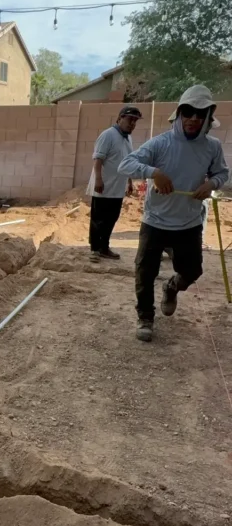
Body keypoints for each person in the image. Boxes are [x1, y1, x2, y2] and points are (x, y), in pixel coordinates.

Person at [118, 85, 230, 342]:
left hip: (189, 222)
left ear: (208, 117)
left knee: (193, 271)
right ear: (179, 113)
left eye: (200, 113)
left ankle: (171, 287)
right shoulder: (161, 143)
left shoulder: (212, 147)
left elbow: (222, 173)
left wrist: (212, 184)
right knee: (145, 272)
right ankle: (145, 316)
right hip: (155, 221)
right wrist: (154, 173)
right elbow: (126, 164)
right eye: (188, 112)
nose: (193, 118)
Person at [86, 106, 141, 262]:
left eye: (135, 121)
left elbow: (127, 162)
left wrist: (129, 181)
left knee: (111, 219)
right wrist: (98, 179)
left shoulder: (128, 138)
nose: (132, 124)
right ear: (119, 118)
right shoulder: (108, 135)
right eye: (130, 120)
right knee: (98, 219)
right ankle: (95, 250)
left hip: (118, 188)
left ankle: (104, 247)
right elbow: (98, 159)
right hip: (103, 187)